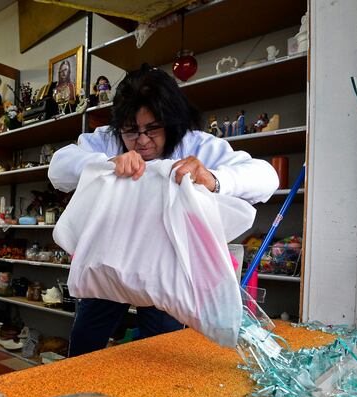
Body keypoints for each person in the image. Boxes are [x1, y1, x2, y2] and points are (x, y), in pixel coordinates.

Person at [48, 65, 278, 357]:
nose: (142, 140)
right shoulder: (108, 140)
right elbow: (59, 167)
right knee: (84, 348)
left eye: (153, 128)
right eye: (132, 130)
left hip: (168, 270)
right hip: (107, 263)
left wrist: (215, 179)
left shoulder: (195, 144)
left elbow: (267, 177)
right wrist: (104, 164)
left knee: (161, 353)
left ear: (171, 121)